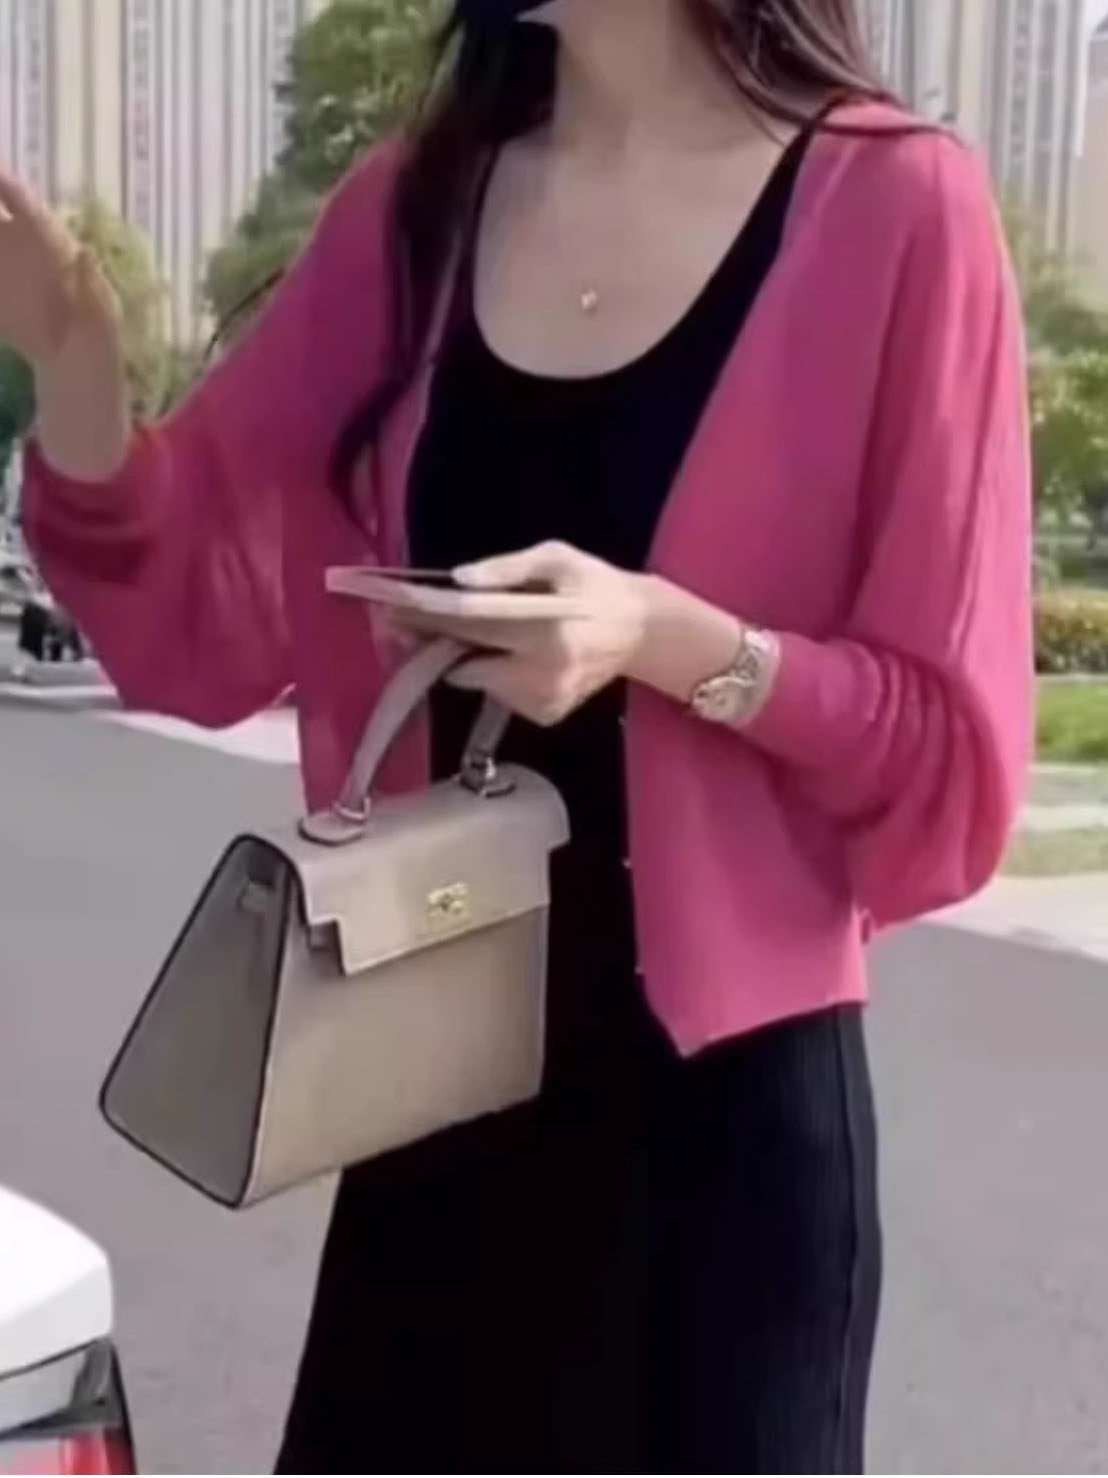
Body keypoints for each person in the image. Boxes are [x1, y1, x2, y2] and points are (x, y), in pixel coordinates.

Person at [0, 0, 1032, 1469]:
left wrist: (666, 638)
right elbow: (193, 613)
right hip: (435, 1119)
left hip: (723, 1172)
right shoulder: (414, 211)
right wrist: (75, 357)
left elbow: (950, 768)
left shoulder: (901, 209)